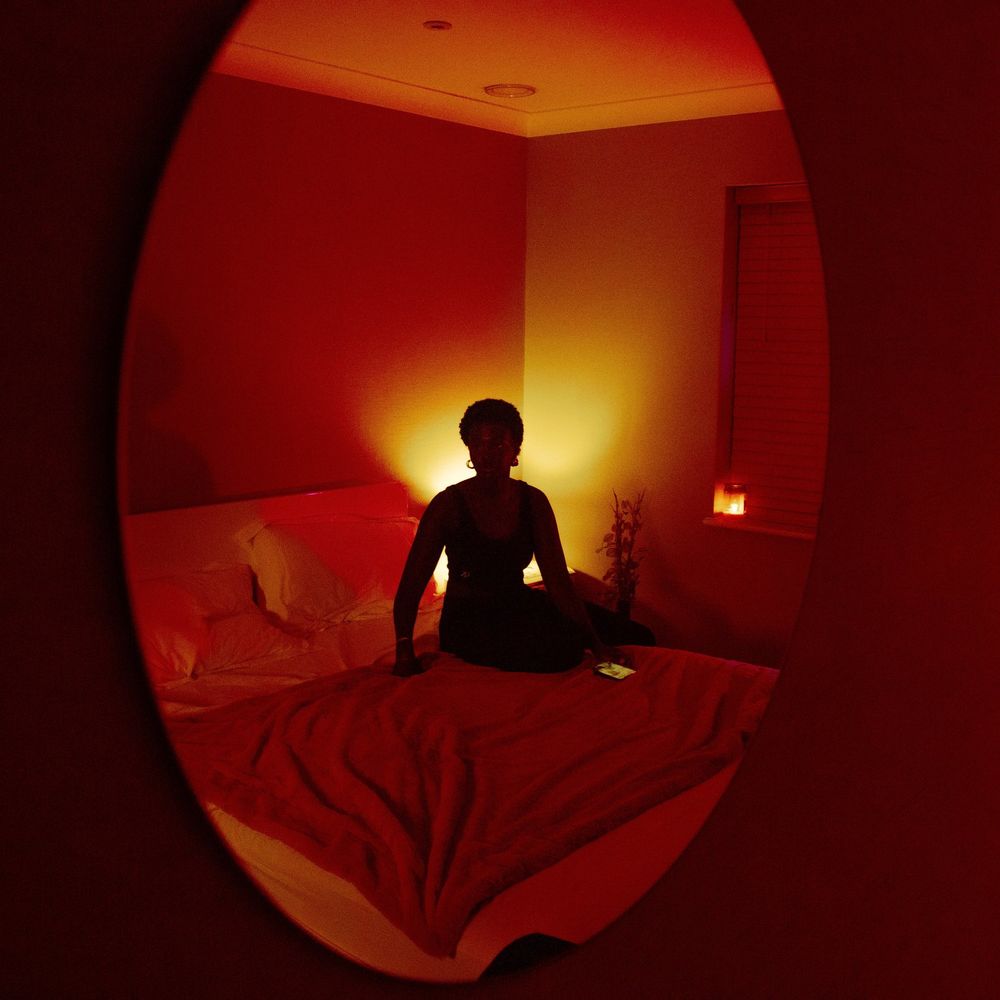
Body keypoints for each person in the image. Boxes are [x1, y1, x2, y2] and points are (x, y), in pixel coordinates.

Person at [392, 399, 633, 677]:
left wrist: (596, 642)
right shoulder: (448, 505)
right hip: (469, 619)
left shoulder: (533, 502)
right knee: (561, 651)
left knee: (633, 633)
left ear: (515, 449)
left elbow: (557, 581)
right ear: (469, 448)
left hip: (518, 604)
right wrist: (404, 651)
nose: (486, 454)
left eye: (496, 444)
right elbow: (411, 586)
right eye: (477, 444)